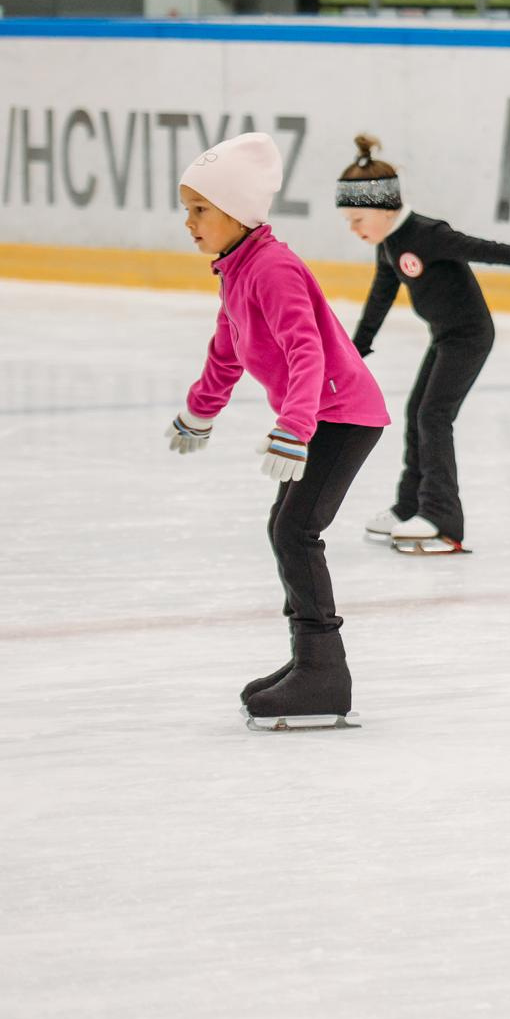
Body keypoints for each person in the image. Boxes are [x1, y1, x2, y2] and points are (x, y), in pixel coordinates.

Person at [168, 132, 390, 730]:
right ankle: (307, 661)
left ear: (238, 211)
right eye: (186, 208)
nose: (187, 222)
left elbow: (306, 352)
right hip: (319, 415)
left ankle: (324, 672)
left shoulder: (273, 269)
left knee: (296, 530)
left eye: (200, 209)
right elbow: (227, 352)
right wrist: (199, 412)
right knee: (283, 526)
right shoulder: (237, 270)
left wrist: (294, 427)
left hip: (342, 416)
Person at [340, 134, 510, 555]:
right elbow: (380, 295)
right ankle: (410, 505)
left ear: (383, 208)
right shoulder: (390, 244)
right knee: (418, 412)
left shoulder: (427, 234)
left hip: (469, 336)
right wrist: (357, 347)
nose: (353, 228)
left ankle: (441, 520)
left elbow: (489, 250)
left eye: (357, 219)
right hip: (445, 336)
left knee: (434, 415)